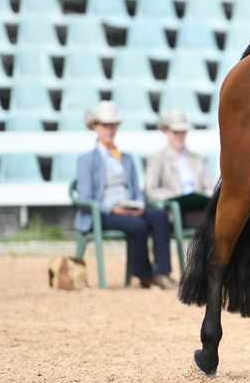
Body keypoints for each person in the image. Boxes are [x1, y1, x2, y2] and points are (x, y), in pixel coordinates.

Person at [75, 101, 175, 289]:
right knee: (138, 226)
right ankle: (145, 275)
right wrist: (114, 209)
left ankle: (162, 273)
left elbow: (136, 190)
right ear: (95, 127)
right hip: (103, 213)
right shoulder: (86, 160)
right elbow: (85, 197)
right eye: (105, 125)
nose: (110, 129)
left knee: (160, 217)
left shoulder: (126, 158)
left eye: (113, 125)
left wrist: (138, 206)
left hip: (130, 208)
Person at [144, 109, 214, 227]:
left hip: (199, 207)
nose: (180, 136)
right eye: (176, 132)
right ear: (166, 132)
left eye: (183, 132)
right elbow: (151, 190)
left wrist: (205, 195)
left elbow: (209, 186)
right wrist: (175, 197)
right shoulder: (157, 159)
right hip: (176, 211)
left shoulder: (196, 158)